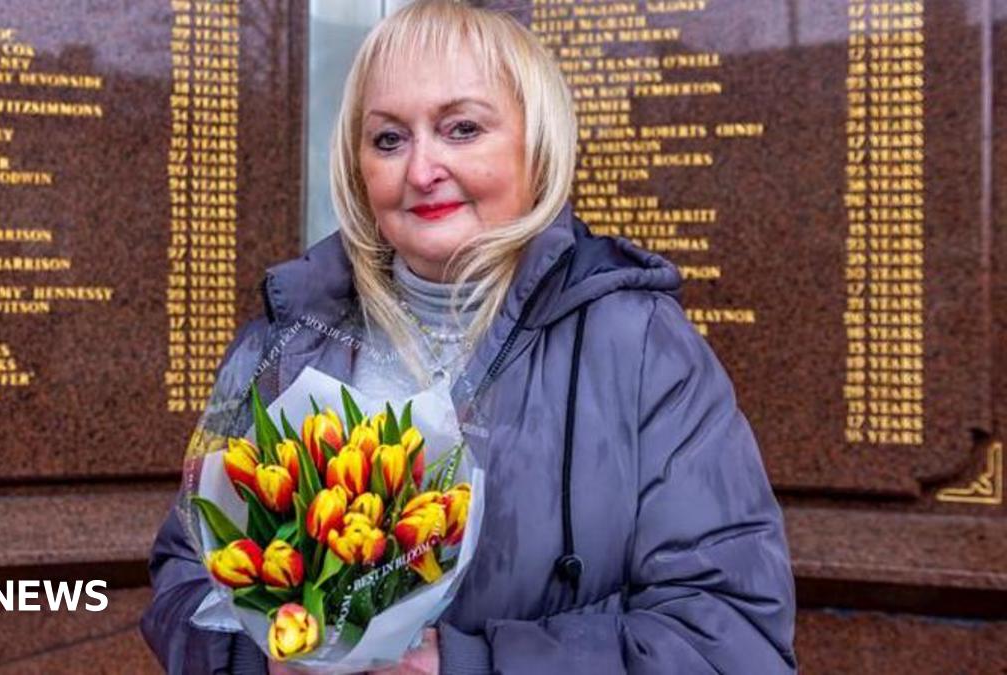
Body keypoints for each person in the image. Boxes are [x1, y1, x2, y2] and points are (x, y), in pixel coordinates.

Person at [141, 1, 797, 673]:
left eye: (461, 128)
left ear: (534, 145)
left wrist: (463, 665)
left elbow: (732, 636)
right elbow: (185, 576)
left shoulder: (640, 347)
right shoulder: (288, 338)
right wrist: (265, 661)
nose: (421, 169)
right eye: (389, 139)